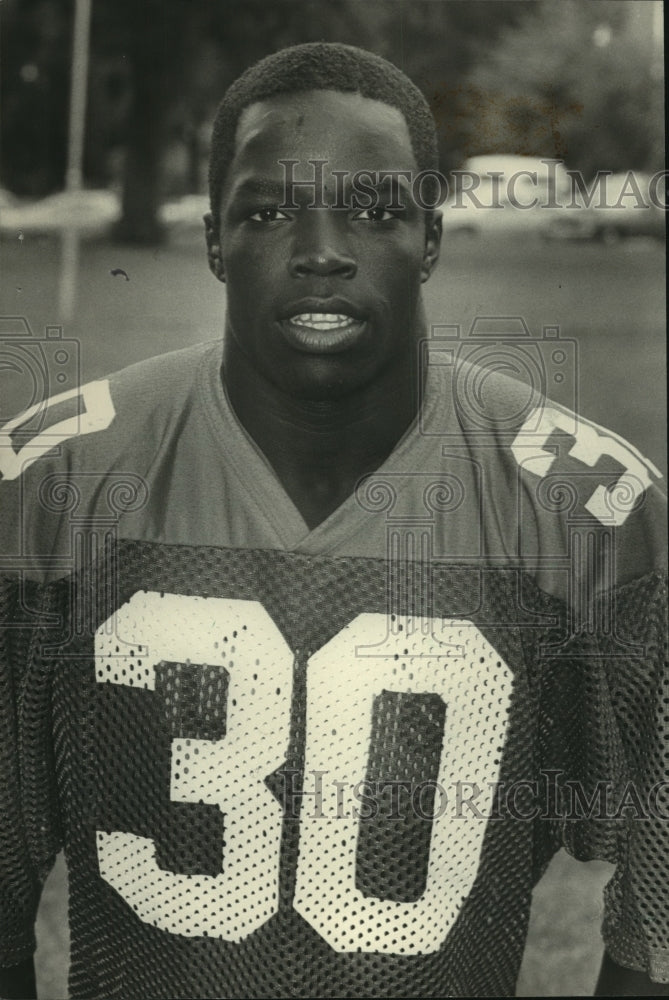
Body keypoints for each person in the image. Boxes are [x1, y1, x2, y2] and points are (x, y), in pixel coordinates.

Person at [0, 42, 667, 1000]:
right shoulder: (56, 484)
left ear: (429, 239)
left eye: (375, 209)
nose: (321, 252)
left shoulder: (581, 508)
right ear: (214, 241)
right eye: (268, 212)